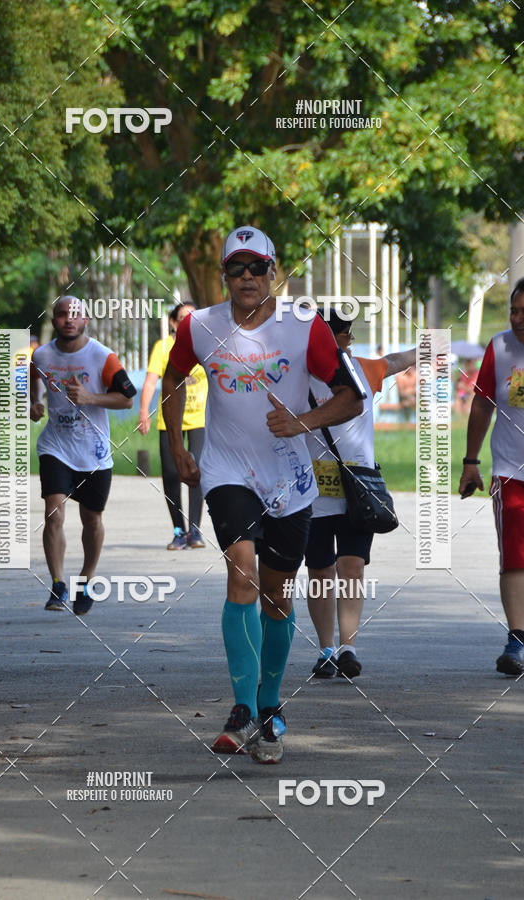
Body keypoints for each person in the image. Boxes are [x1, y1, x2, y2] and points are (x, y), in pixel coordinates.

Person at [161, 225, 364, 764]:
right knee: (241, 570)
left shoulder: (304, 328)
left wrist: (302, 421)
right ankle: (242, 708)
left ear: (274, 272)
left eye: (257, 268)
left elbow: (351, 399)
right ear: (224, 275)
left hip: (290, 478)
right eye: (236, 268)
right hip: (227, 469)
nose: (247, 278)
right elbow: (173, 377)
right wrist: (180, 444)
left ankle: (271, 706)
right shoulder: (200, 326)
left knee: (277, 595)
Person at [305, 311, 416, 679]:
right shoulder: (299, 377)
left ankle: (348, 647)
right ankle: (325, 649)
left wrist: (427, 348)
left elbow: (395, 361)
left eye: (339, 338)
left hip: (358, 488)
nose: (334, 345)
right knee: (320, 569)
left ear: (345, 339)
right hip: (312, 490)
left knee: (352, 566)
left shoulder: (361, 369)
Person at [30, 296, 136, 615]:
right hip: (56, 446)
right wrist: (33, 407)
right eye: (62, 315)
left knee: (91, 519)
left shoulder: (103, 357)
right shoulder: (41, 356)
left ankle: (86, 581)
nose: (68, 320)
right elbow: (32, 390)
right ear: (54, 320)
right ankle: (58, 584)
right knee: (54, 512)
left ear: (85, 320)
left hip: (94, 450)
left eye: (74, 315)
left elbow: (128, 399)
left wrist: (90, 397)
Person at [459, 278, 524, 675]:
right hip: (510, 471)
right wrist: (471, 461)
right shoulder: (500, 348)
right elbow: (482, 405)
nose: (517, 319)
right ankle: (517, 639)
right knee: (515, 557)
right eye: (513, 311)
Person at [138, 304, 208, 549]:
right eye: (182, 318)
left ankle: (196, 532)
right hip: (170, 420)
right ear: (173, 323)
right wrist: (144, 410)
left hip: (200, 418)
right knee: (170, 474)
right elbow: (150, 381)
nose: (187, 322)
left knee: (197, 471)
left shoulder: (207, 344)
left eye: (192, 318)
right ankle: (179, 531)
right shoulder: (163, 347)